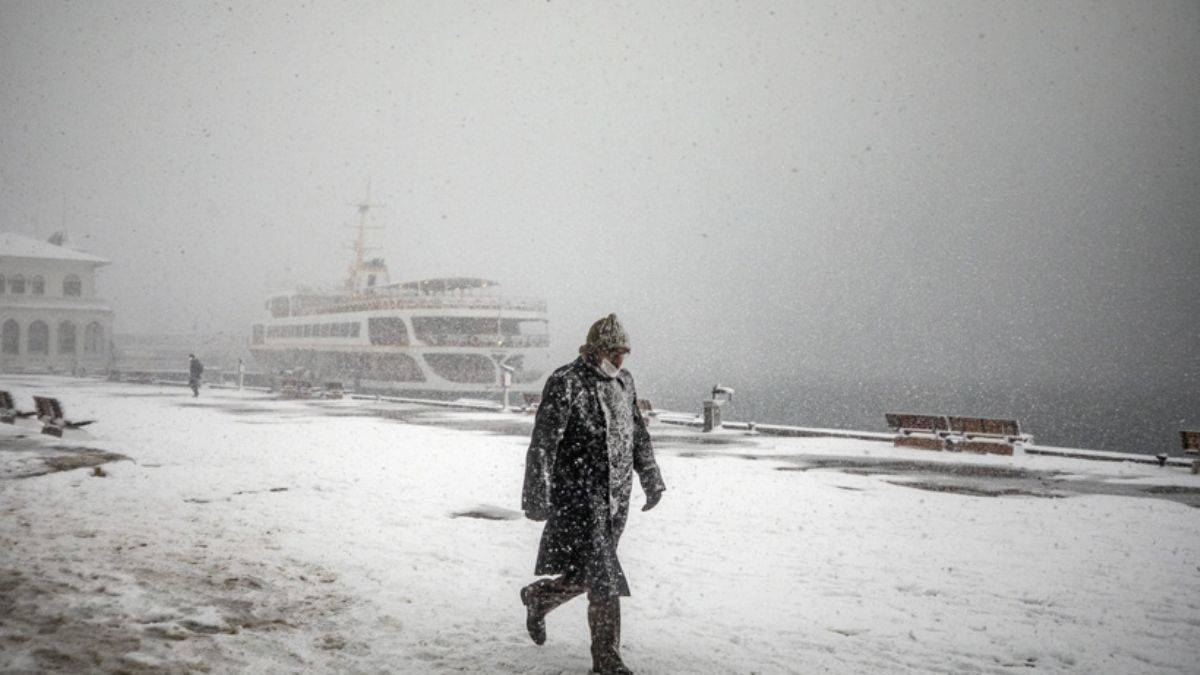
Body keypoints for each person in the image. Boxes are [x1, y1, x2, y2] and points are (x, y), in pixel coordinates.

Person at [520, 314, 666, 675]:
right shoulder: (566, 382)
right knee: (604, 577)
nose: (619, 361)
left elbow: (637, 435)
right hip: (578, 498)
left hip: (616, 499)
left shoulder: (624, 383)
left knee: (589, 573)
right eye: (613, 352)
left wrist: (650, 477)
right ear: (594, 349)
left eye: (623, 354)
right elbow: (543, 444)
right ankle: (606, 660)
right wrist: (537, 495)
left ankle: (539, 598)